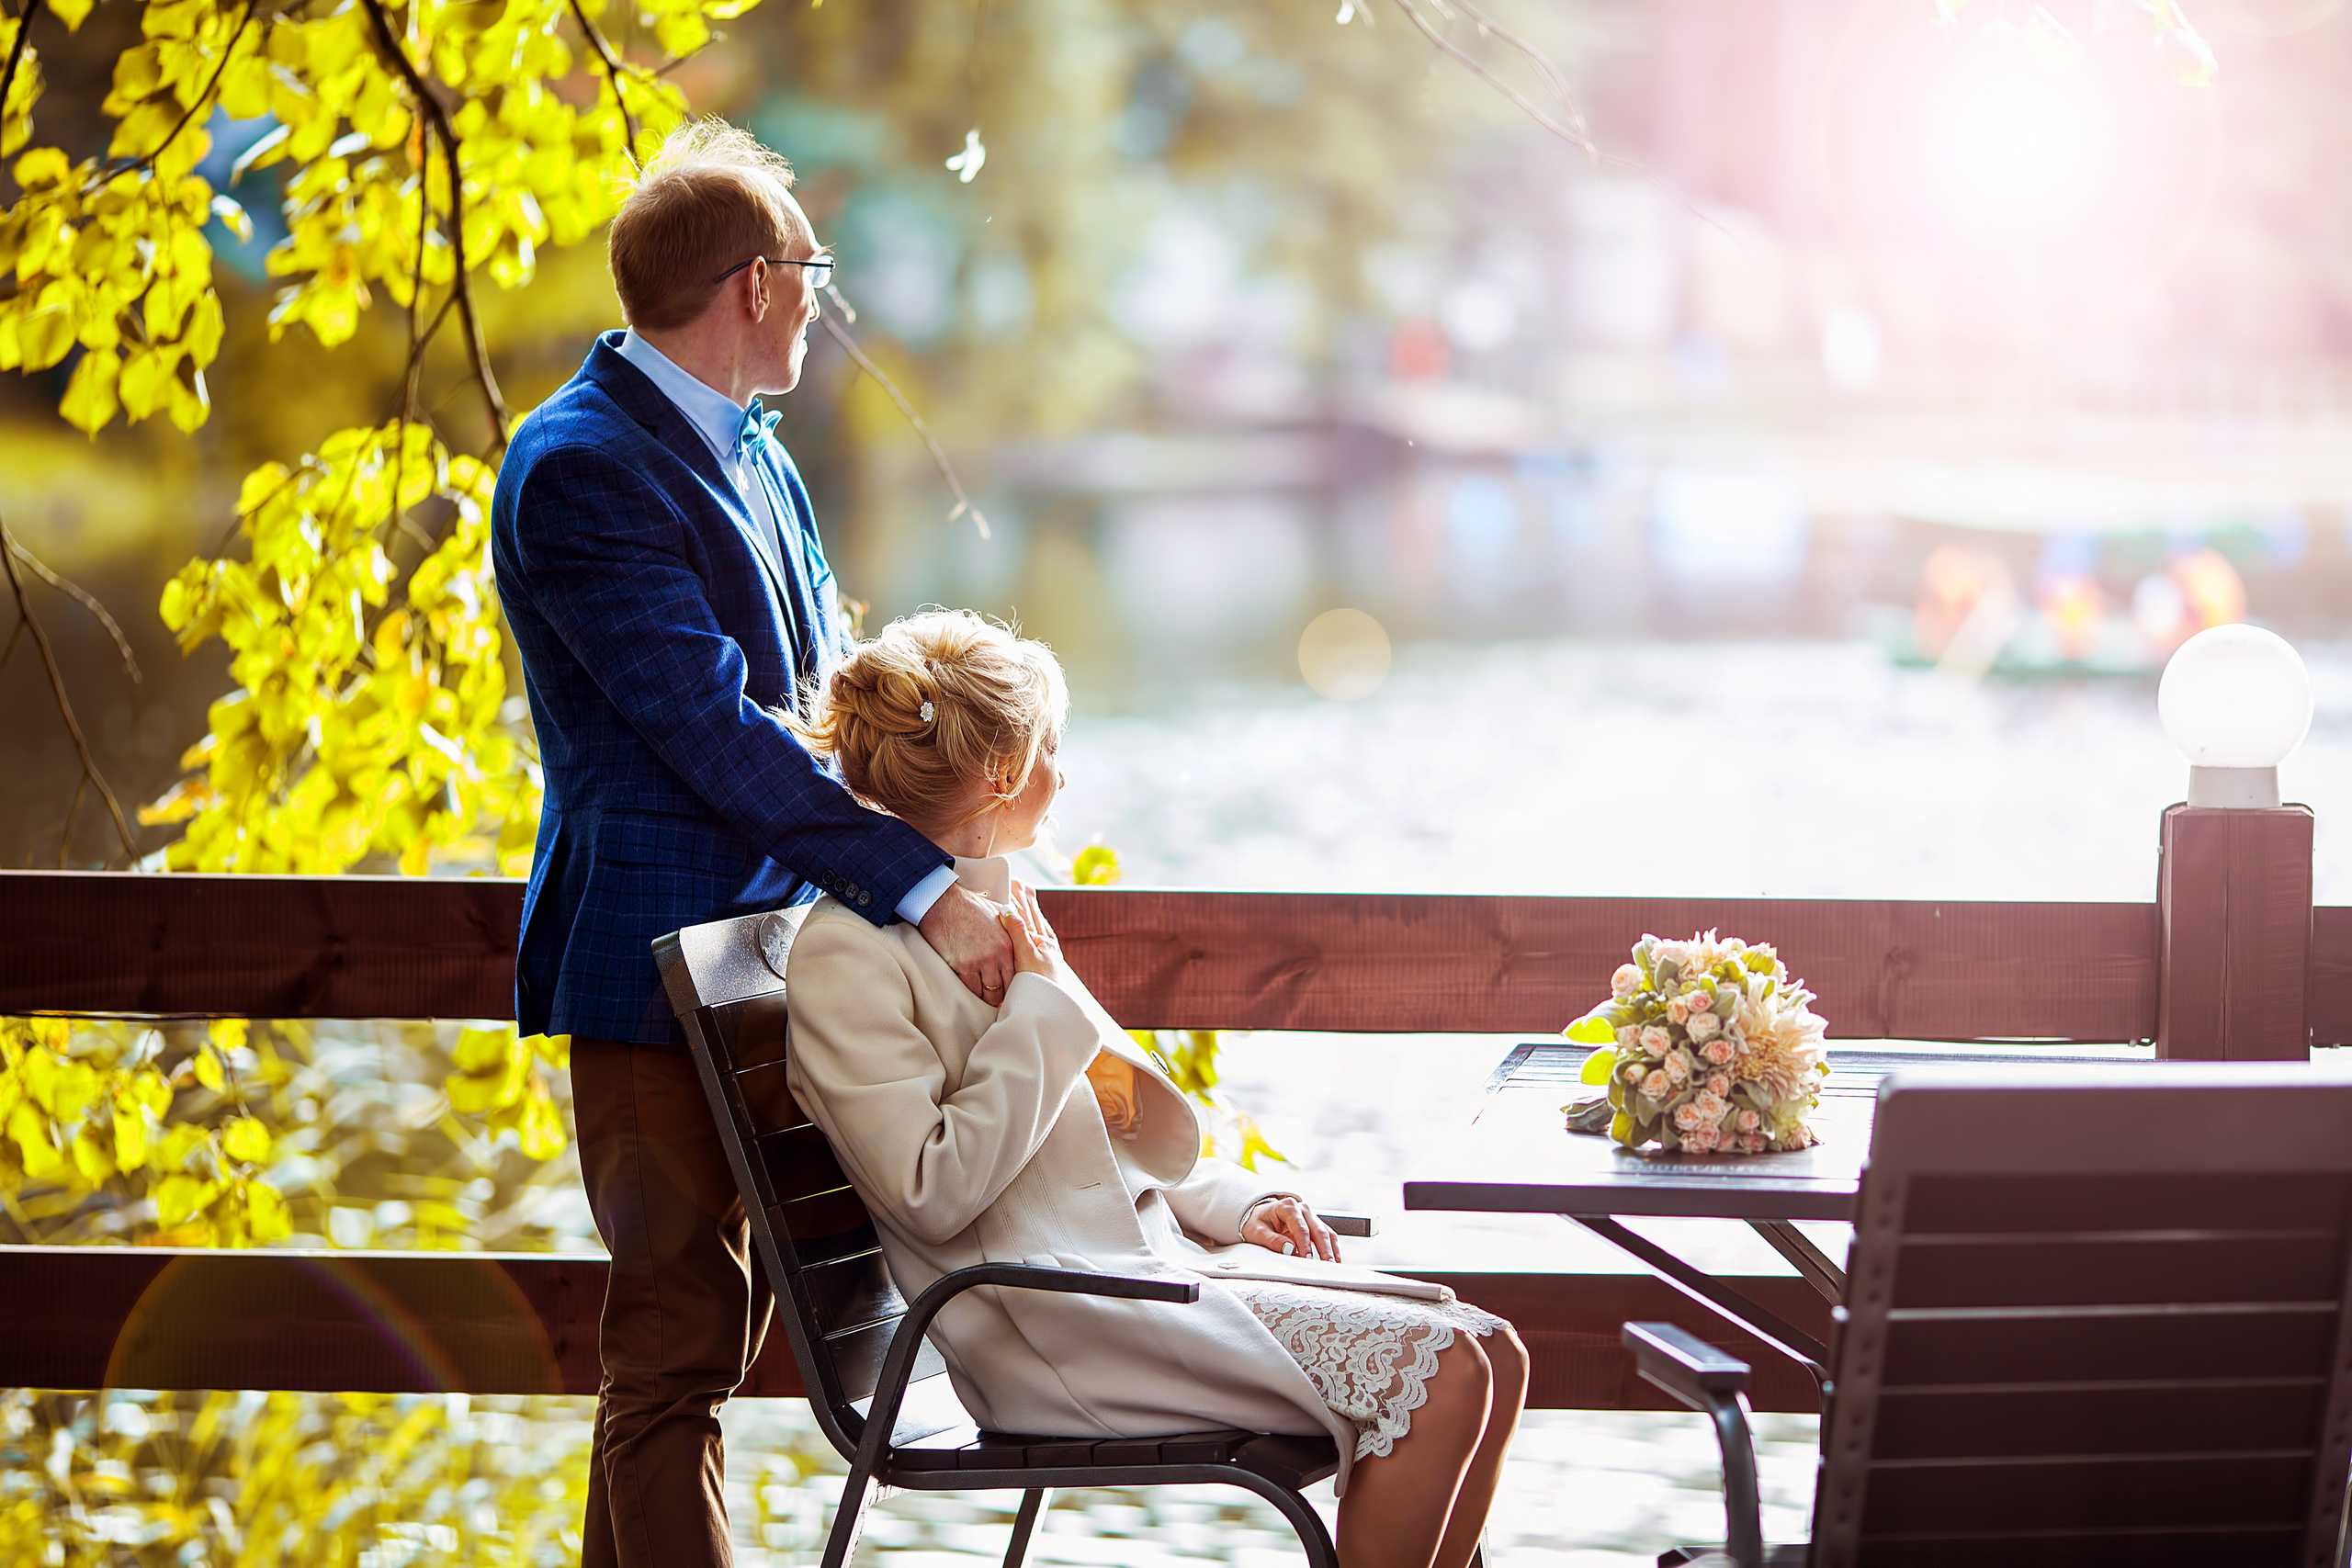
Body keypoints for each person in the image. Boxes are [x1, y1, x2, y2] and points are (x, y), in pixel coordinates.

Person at [487, 122, 1018, 1568]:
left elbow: (830, 707)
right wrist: (919, 887)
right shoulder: (581, 467)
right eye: (809, 269)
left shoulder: (754, 452)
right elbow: (716, 732)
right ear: (752, 283)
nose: (820, 298)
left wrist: (962, 835)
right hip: (654, 969)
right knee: (673, 1347)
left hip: (781, 962)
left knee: (698, 1347)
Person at [783, 610, 1530, 1568]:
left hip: (1137, 1273)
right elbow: (932, 1192)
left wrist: (1243, 1201)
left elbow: (1112, 1129)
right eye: (1053, 746)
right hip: (1044, 1321)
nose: (1066, 769)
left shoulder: (1002, 906)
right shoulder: (846, 953)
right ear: (1005, 773)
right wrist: (1043, 1013)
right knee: (1445, 1378)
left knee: (1492, 1351)